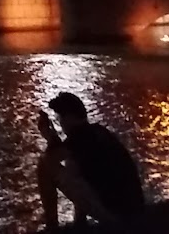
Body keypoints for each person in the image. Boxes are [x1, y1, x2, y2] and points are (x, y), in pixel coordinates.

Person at [37, 92, 145, 229]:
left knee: (44, 165)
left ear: (70, 117)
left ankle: (52, 226)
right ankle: (80, 222)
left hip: (117, 215)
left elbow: (51, 160)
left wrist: (49, 137)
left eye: (59, 118)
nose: (60, 123)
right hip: (133, 209)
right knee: (74, 163)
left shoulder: (79, 137)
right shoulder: (98, 131)